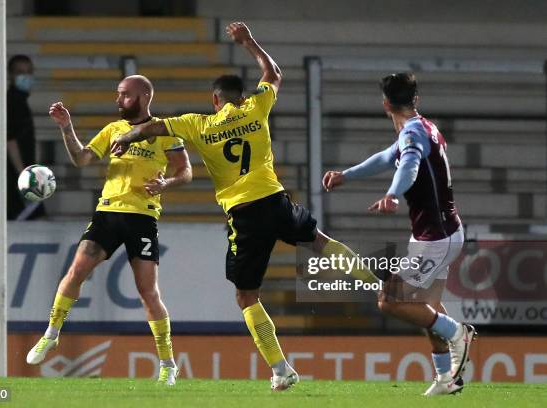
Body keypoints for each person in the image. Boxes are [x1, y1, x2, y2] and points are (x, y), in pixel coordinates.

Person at [110, 22, 371, 391]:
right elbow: (274, 73)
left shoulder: (198, 123)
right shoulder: (256, 107)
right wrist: (248, 41)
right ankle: (376, 284)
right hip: (275, 200)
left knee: (246, 295)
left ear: (215, 100)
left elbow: (153, 128)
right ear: (239, 95)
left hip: (244, 214)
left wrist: (128, 135)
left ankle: (281, 368)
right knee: (318, 241)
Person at [26, 75, 192, 386]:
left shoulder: (163, 132)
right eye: (118, 94)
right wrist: (66, 128)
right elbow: (82, 159)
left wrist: (166, 183)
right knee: (77, 269)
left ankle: (168, 363)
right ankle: (51, 334)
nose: (118, 101)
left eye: (124, 95)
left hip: (142, 217)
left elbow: (186, 171)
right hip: (107, 213)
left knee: (148, 291)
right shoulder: (113, 130)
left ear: (143, 96)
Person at [322, 73, 476, 396]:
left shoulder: (411, 135)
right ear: (415, 100)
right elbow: (387, 157)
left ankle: (458, 332)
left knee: (389, 300)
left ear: (385, 104)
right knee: (424, 307)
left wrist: (392, 193)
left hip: (436, 238)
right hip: (444, 232)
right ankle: (446, 377)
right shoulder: (424, 128)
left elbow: (409, 165)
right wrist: (345, 176)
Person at [7, 54, 46, 220]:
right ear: (10, 75)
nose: (26, 76)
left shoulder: (21, 101)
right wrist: (24, 175)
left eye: (29, 72)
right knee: (35, 220)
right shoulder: (13, 101)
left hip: (24, 174)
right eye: (20, 72)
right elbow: (10, 141)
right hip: (16, 177)